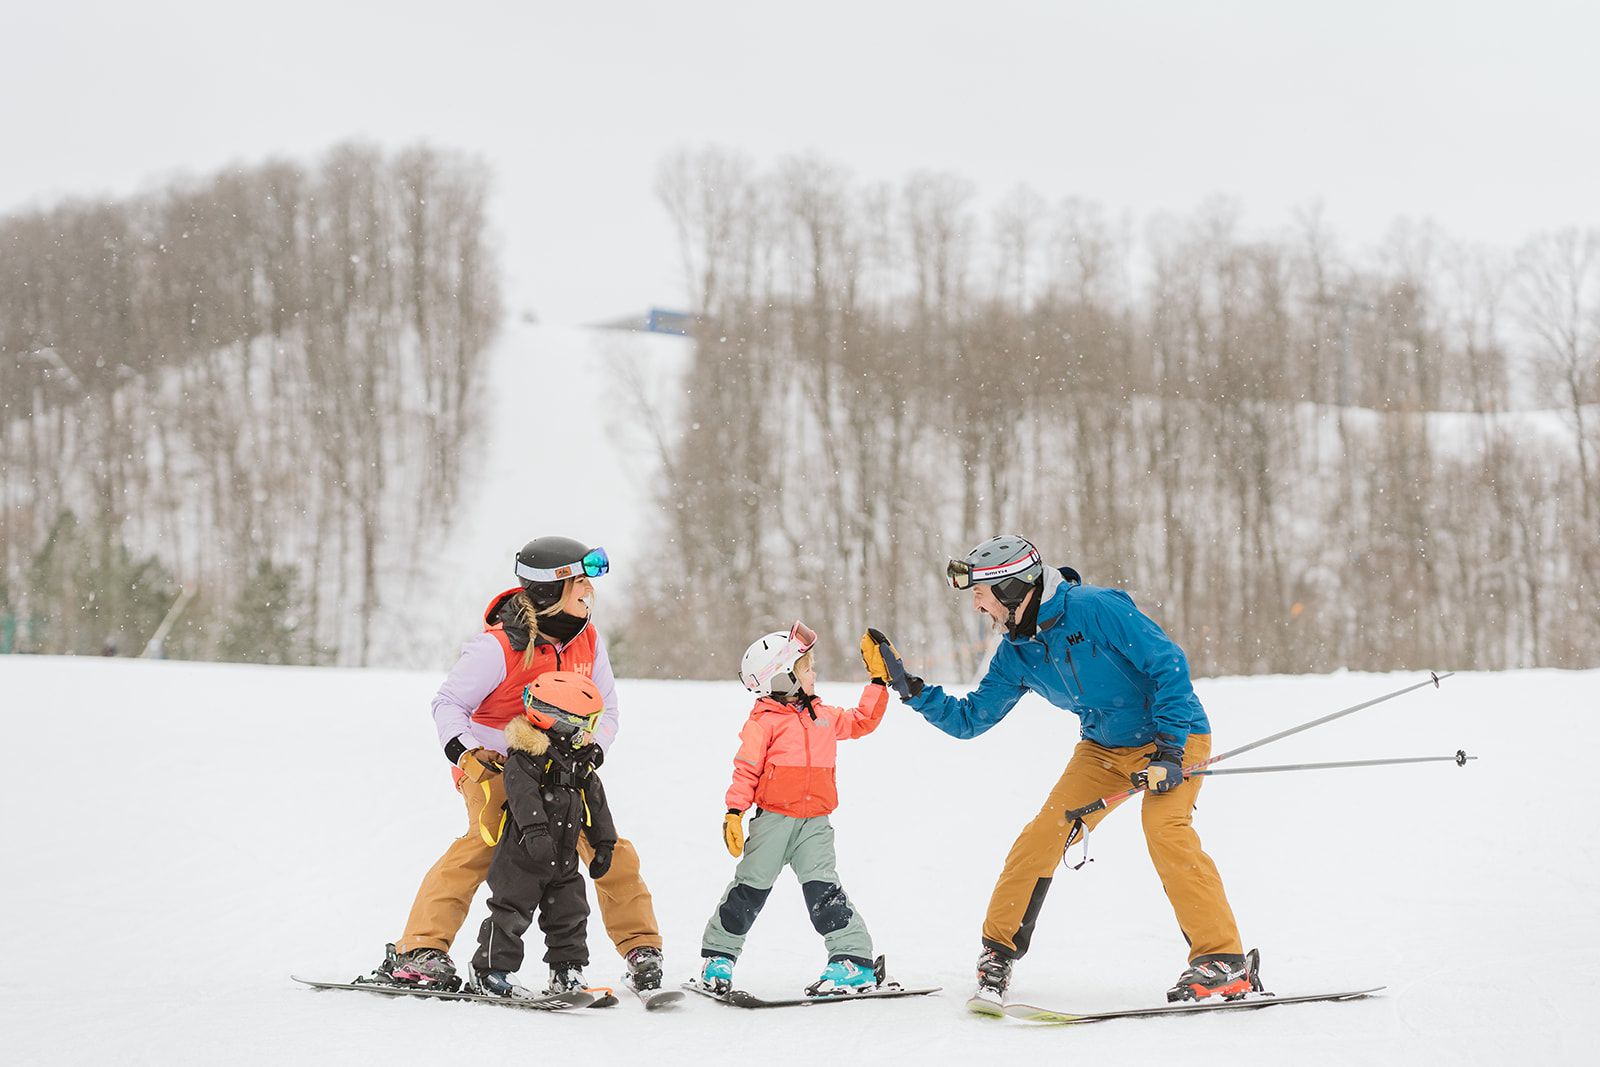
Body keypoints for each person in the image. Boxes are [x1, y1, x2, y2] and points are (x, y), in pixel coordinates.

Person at [860, 535, 1260, 1008]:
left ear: (1011, 591)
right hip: (1104, 750)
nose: (978, 608)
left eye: (981, 596)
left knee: (1165, 828)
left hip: (1175, 735)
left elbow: (1167, 665)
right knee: (1043, 835)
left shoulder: (1096, 609)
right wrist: (910, 689)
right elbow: (971, 720)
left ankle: (1225, 962)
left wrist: (1170, 752)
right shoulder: (1017, 653)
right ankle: (997, 953)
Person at [376, 536, 664, 994]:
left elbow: (607, 707)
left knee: (606, 845)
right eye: (579, 582)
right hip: (495, 764)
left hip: (563, 766)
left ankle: (640, 947)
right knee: (486, 843)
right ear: (550, 591)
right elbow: (448, 703)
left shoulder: (588, 638)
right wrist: (468, 752)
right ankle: (420, 950)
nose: (589, 590)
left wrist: (596, 747)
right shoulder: (496, 648)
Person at [696, 621, 889, 996]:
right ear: (783, 678)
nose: (814, 674)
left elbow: (863, 721)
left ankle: (852, 960)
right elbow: (746, 769)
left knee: (824, 890)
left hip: (815, 823)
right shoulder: (763, 723)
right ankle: (719, 955)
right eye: (806, 668)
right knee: (749, 889)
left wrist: (878, 682)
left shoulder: (824, 717)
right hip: (773, 822)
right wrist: (734, 812)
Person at [470, 671, 616, 997]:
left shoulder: (579, 763)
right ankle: (489, 971)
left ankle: (567, 972)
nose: (589, 732)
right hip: (522, 853)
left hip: (563, 857)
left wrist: (604, 842)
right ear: (560, 721)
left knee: (571, 912)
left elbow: (595, 801)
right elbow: (523, 798)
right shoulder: (525, 759)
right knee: (511, 910)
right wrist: (536, 833)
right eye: (585, 723)